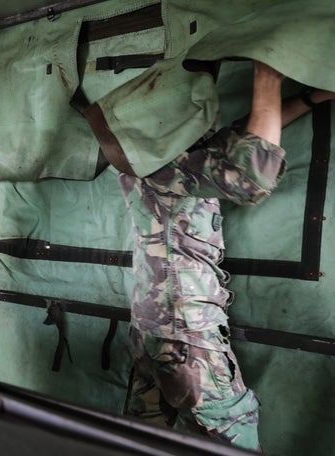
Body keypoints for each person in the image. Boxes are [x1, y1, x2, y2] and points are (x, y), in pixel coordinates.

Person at [112, 62, 334, 450]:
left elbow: (244, 135)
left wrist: (311, 98)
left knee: (142, 438)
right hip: (186, 332)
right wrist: (268, 75)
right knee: (234, 433)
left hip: (158, 327)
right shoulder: (162, 164)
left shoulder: (165, 158)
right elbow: (252, 176)